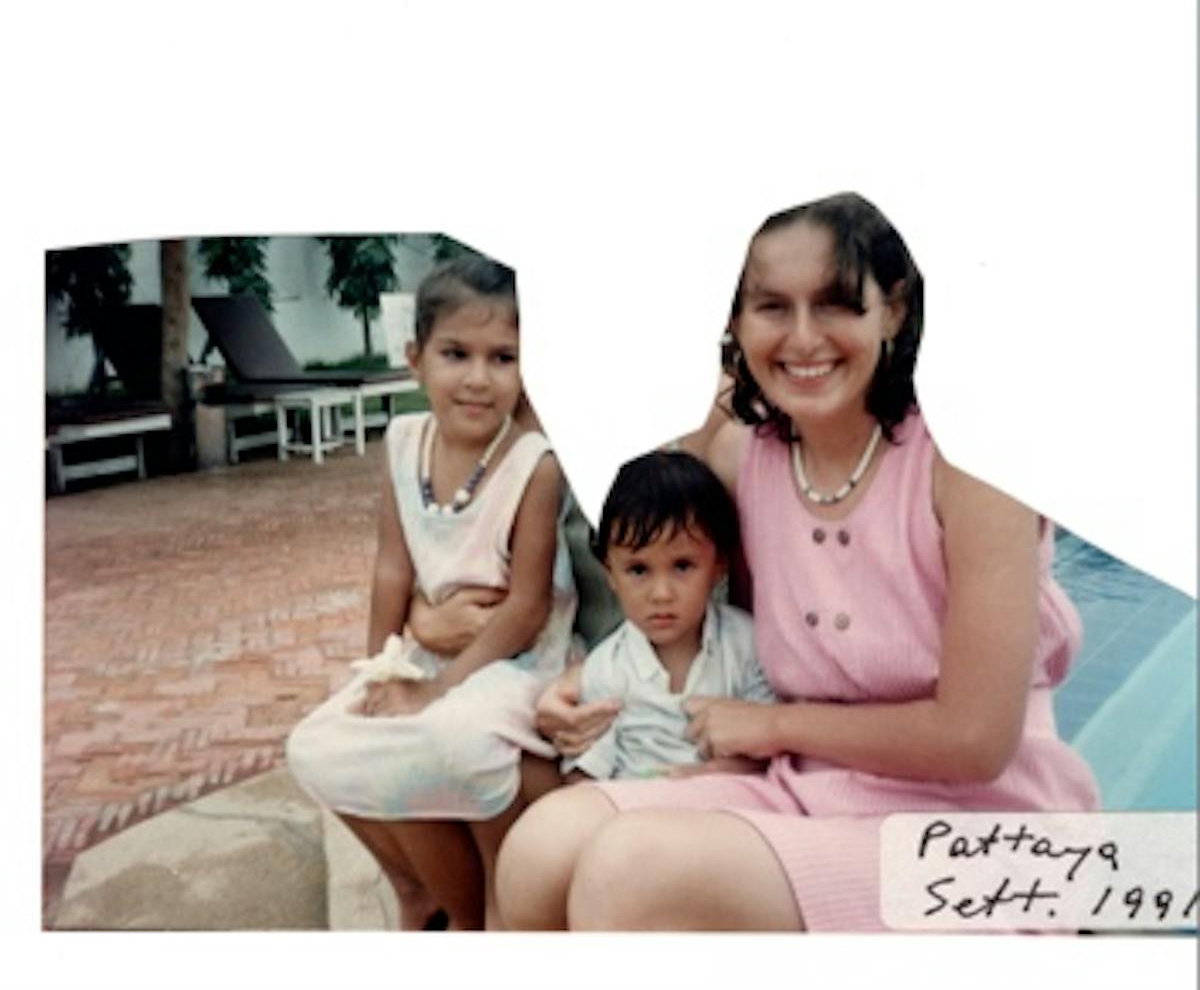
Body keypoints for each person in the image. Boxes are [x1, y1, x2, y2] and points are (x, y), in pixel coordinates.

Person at [495, 192, 1099, 932]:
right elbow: (652, 549)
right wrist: (571, 687)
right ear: (734, 322)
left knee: (631, 871)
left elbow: (975, 742)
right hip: (805, 787)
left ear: (894, 310)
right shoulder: (747, 461)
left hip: (979, 824)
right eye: (771, 307)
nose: (804, 337)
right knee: (540, 851)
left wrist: (775, 727)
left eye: (836, 303)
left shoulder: (971, 464)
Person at [286, 255, 576, 931]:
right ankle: (413, 887)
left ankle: (484, 913)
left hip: (517, 662)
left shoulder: (533, 464)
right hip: (431, 656)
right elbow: (393, 567)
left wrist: (437, 690)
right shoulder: (401, 441)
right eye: (456, 354)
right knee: (317, 744)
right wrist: (380, 670)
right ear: (415, 359)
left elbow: (527, 608)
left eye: (502, 358)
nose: (478, 378)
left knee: (450, 742)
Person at [561, 450, 774, 781]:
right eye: (638, 570)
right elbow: (586, 774)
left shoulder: (749, 646)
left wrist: (709, 775)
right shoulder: (605, 669)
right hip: (631, 802)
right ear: (610, 573)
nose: (661, 593)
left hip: (730, 799)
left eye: (682, 566)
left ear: (719, 564)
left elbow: (769, 752)